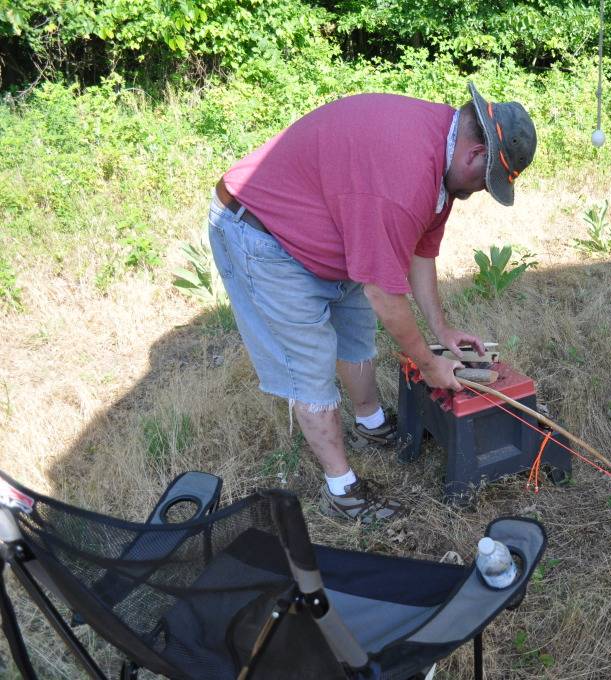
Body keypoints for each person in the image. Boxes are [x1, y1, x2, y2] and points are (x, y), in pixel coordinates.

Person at [207, 83, 537, 519]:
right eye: (484, 182)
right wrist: (429, 364)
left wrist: (441, 330)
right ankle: (342, 491)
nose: (478, 192)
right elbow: (383, 292)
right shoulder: (404, 178)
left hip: (330, 222)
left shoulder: (443, 152)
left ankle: (370, 423)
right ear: (475, 155)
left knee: (354, 329)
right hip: (263, 231)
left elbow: (421, 251)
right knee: (312, 363)